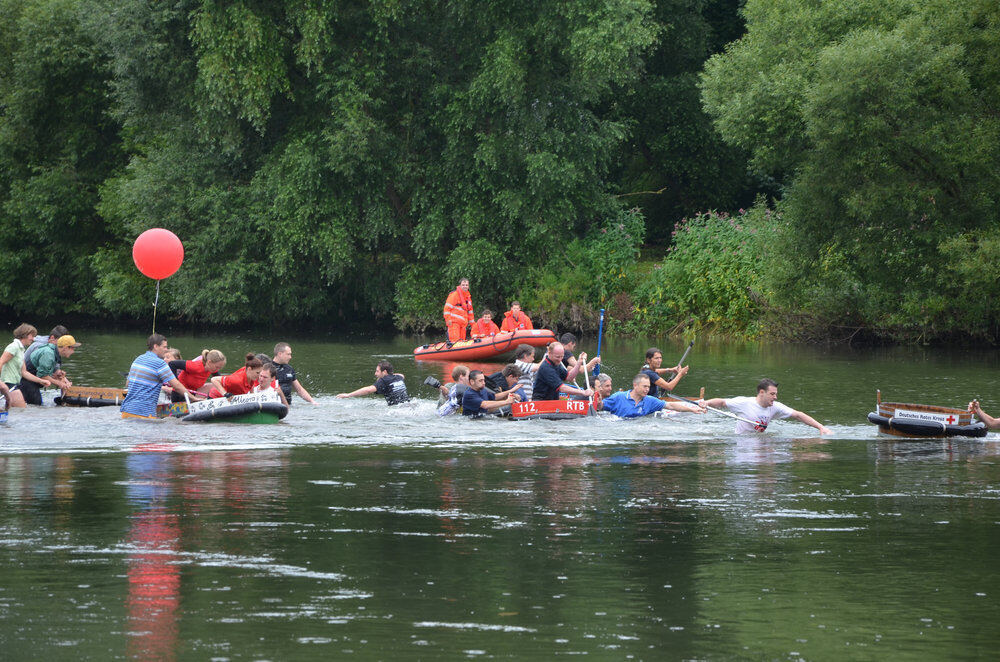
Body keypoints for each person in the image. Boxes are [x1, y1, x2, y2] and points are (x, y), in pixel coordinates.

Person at [702, 378, 831, 435]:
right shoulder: (744, 403)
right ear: (762, 392)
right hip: (742, 442)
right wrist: (707, 403)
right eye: (772, 394)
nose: (775, 397)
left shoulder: (775, 407)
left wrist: (821, 427)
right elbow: (722, 402)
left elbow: (798, 415)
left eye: (776, 394)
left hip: (762, 441)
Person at [121, 334, 200, 419]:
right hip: (144, 413)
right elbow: (176, 386)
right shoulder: (160, 363)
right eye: (164, 347)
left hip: (126, 410)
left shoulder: (138, 359)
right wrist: (192, 398)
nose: (166, 350)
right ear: (155, 346)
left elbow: (127, 384)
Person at [594, 374, 705, 418]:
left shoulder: (650, 401)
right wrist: (598, 403)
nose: (647, 389)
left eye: (648, 386)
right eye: (644, 386)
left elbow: (670, 405)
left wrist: (692, 409)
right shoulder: (618, 397)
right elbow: (601, 407)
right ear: (635, 385)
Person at [20, 334, 79, 405]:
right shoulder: (49, 354)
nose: (73, 351)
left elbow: (50, 371)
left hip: (31, 380)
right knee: (36, 405)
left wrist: (63, 379)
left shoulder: (54, 352)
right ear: (66, 348)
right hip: (25, 380)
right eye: (72, 348)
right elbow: (42, 376)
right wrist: (60, 384)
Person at [1, 323, 49, 408]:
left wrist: (41, 381)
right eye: (31, 335)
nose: (33, 338)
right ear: (25, 335)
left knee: (14, 412)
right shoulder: (14, 347)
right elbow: (0, 362)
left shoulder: (21, 350)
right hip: (8, 383)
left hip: (15, 383)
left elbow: (24, 372)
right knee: (21, 410)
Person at [337, 360, 410, 405]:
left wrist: (348, 395)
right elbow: (401, 375)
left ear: (384, 372)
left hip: (398, 410)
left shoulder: (383, 381)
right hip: (408, 405)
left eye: (377, 371)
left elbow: (368, 390)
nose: (375, 374)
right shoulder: (399, 377)